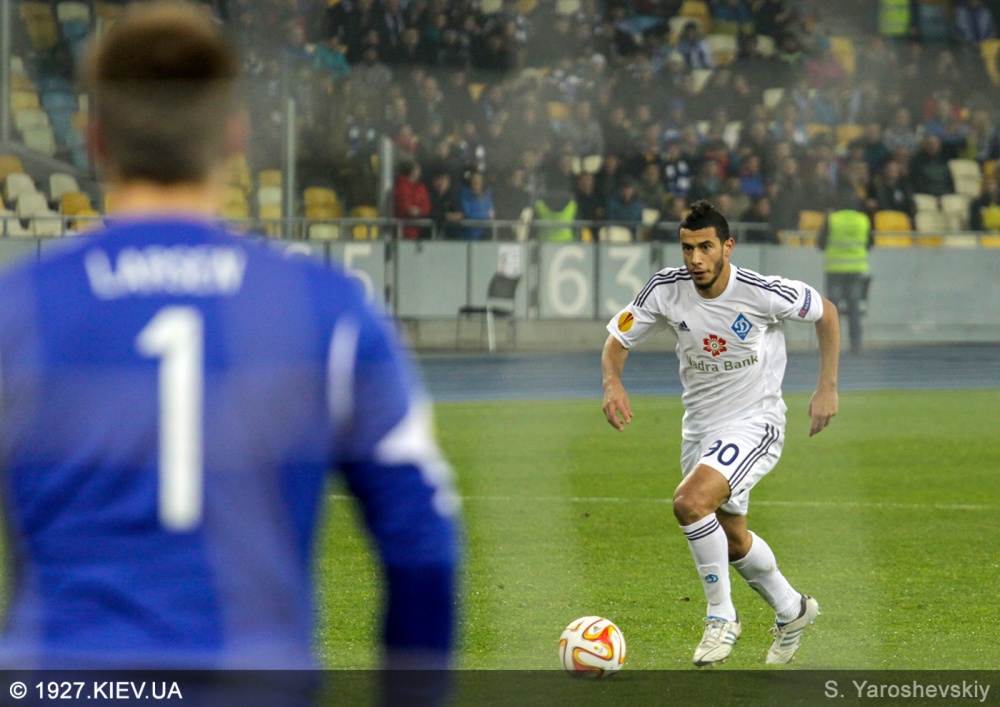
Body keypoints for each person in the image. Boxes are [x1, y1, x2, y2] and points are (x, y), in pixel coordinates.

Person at [0, 2, 460, 700]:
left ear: (95, 140)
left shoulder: (20, 310)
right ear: (234, 137)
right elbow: (422, 542)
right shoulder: (324, 309)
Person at [601, 200, 839, 668]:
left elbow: (826, 313)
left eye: (706, 247)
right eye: (688, 248)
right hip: (700, 429)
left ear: (727, 247)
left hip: (755, 422)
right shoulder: (665, 289)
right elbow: (618, 339)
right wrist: (612, 383)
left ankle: (721, 616)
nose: (695, 259)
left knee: (690, 503)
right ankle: (792, 610)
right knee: (731, 541)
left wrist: (826, 386)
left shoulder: (761, 292)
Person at [817, 203, 874, 355]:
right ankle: (856, 343)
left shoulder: (832, 219)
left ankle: (830, 344)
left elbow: (820, 244)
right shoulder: (863, 220)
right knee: (854, 307)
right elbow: (870, 243)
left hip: (834, 269)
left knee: (831, 309)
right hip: (856, 269)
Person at [393, 160, 432, 239]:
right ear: (412, 171)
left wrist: (420, 211)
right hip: (403, 231)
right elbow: (403, 206)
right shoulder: (401, 187)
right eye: (418, 170)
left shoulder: (421, 188)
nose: (420, 172)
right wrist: (411, 211)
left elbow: (427, 206)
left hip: (419, 231)